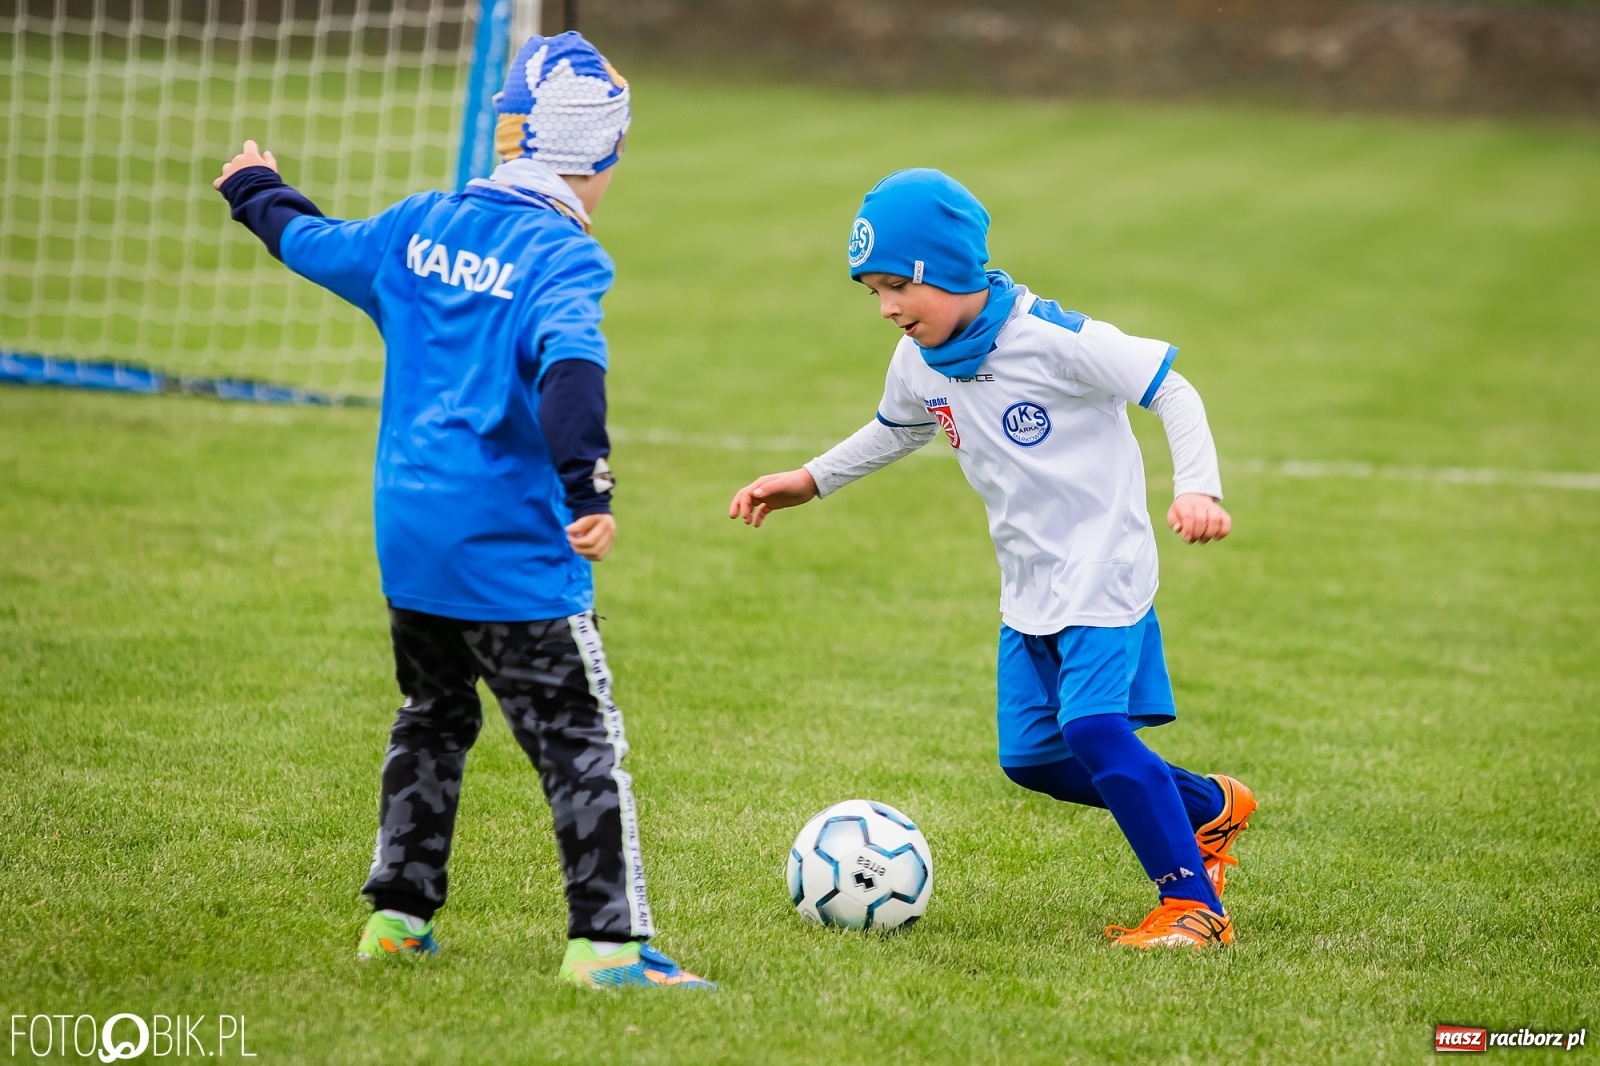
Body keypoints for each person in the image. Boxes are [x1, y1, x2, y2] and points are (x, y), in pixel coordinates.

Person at [214, 32, 709, 988]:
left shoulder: (415, 228)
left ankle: (397, 921)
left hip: (411, 542)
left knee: (432, 715)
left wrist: (254, 189)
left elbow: (309, 242)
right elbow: (571, 369)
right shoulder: (563, 258)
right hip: (509, 554)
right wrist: (587, 487)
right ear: (597, 156)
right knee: (580, 741)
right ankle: (608, 948)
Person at [729, 169, 1255, 949]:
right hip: (1029, 581)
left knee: (1096, 731)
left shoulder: (1053, 339)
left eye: (895, 288)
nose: (887, 310)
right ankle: (1209, 807)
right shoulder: (919, 358)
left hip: (1104, 565)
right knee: (1034, 759)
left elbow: (1171, 389)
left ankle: (1191, 908)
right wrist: (811, 480)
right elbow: (895, 427)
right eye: (871, 293)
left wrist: (1198, 489)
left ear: (944, 270)